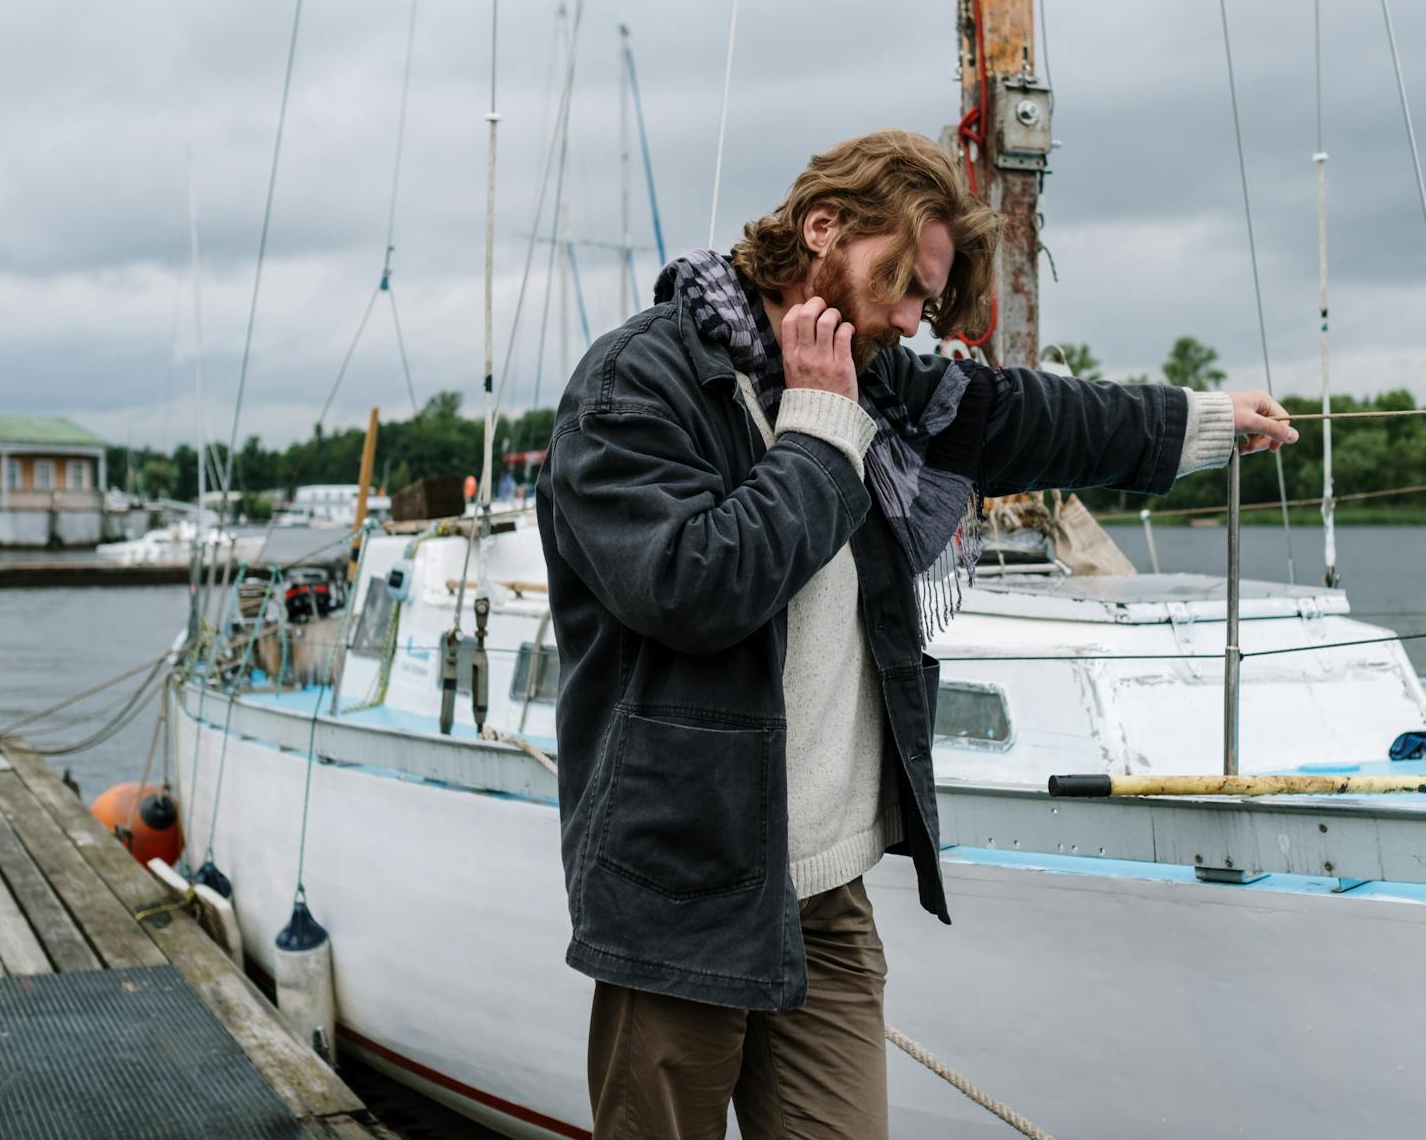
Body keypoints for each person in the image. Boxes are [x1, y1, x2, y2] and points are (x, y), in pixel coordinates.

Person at [536, 129, 1294, 1138]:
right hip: (683, 887)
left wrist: (1199, 421)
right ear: (822, 229)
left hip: (825, 893)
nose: (909, 316)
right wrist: (816, 428)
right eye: (900, 280)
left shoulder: (880, 383)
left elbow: (1026, 415)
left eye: (924, 300)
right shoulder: (642, 381)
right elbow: (693, 585)